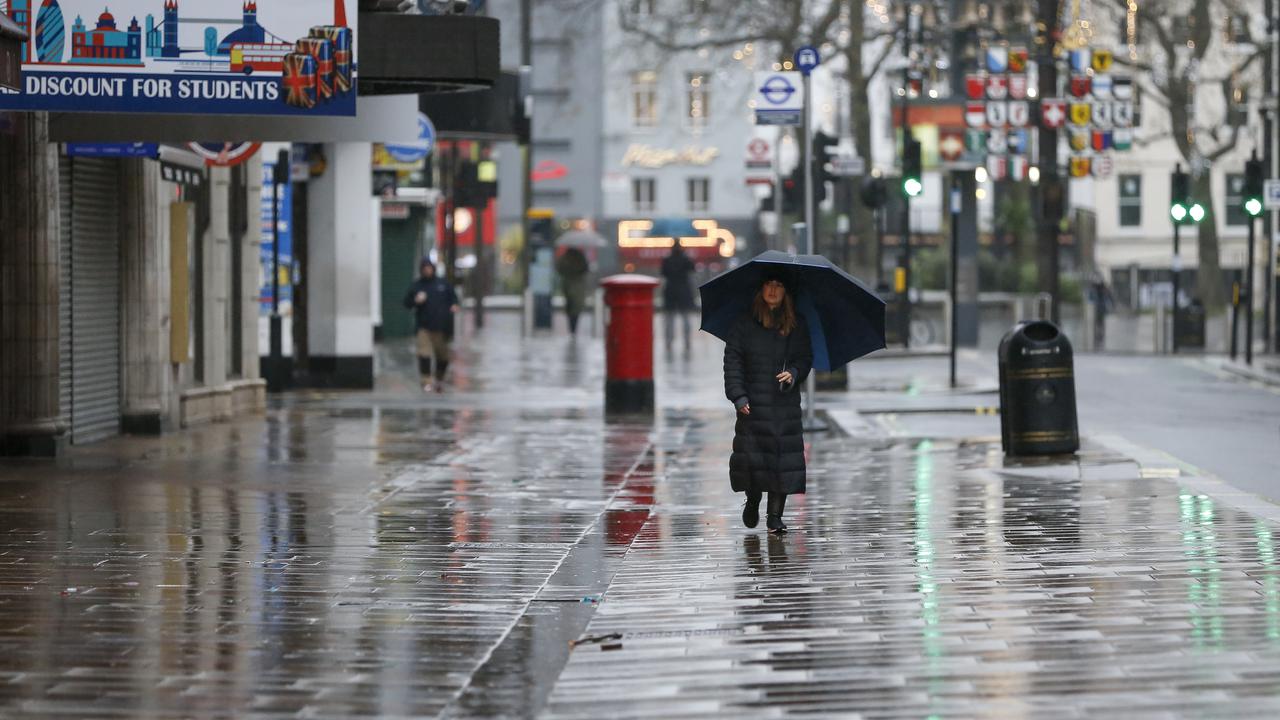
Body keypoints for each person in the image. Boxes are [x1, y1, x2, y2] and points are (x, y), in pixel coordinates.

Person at [723, 272, 812, 533]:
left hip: (783, 404)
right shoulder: (743, 324)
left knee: (782, 461)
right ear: (760, 289)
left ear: (786, 293)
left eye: (779, 286)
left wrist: (794, 373)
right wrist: (738, 396)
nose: (773, 291)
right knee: (753, 461)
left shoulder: (796, 324)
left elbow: (804, 358)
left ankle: (775, 516)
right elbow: (733, 363)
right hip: (753, 405)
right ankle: (752, 500)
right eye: (769, 285)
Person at [403, 258, 459, 392]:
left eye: (429, 267)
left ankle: (439, 379)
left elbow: (454, 299)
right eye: (424, 268)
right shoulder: (417, 286)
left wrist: (454, 306)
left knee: (443, 357)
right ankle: (426, 381)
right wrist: (416, 301)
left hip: (441, 327)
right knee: (424, 354)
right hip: (424, 327)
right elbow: (407, 302)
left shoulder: (443, 284)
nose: (427, 270)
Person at [661, 244, 696, 352]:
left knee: (669, 319)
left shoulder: (667, 260)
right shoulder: (685, 259)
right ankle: (687, 341)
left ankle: (669, 342)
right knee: (685, 318)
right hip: (683, 291)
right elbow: (693, 269)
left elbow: (663, 273)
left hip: (670, 291)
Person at [555, 247, 590, 335]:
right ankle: (573, 328)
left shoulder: (565, 257)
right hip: (577, 286)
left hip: (568, 285)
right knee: (576, 306)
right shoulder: (580, 257)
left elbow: (559, 268)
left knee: (570, 306)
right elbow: (585, 268)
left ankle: (571, 328)